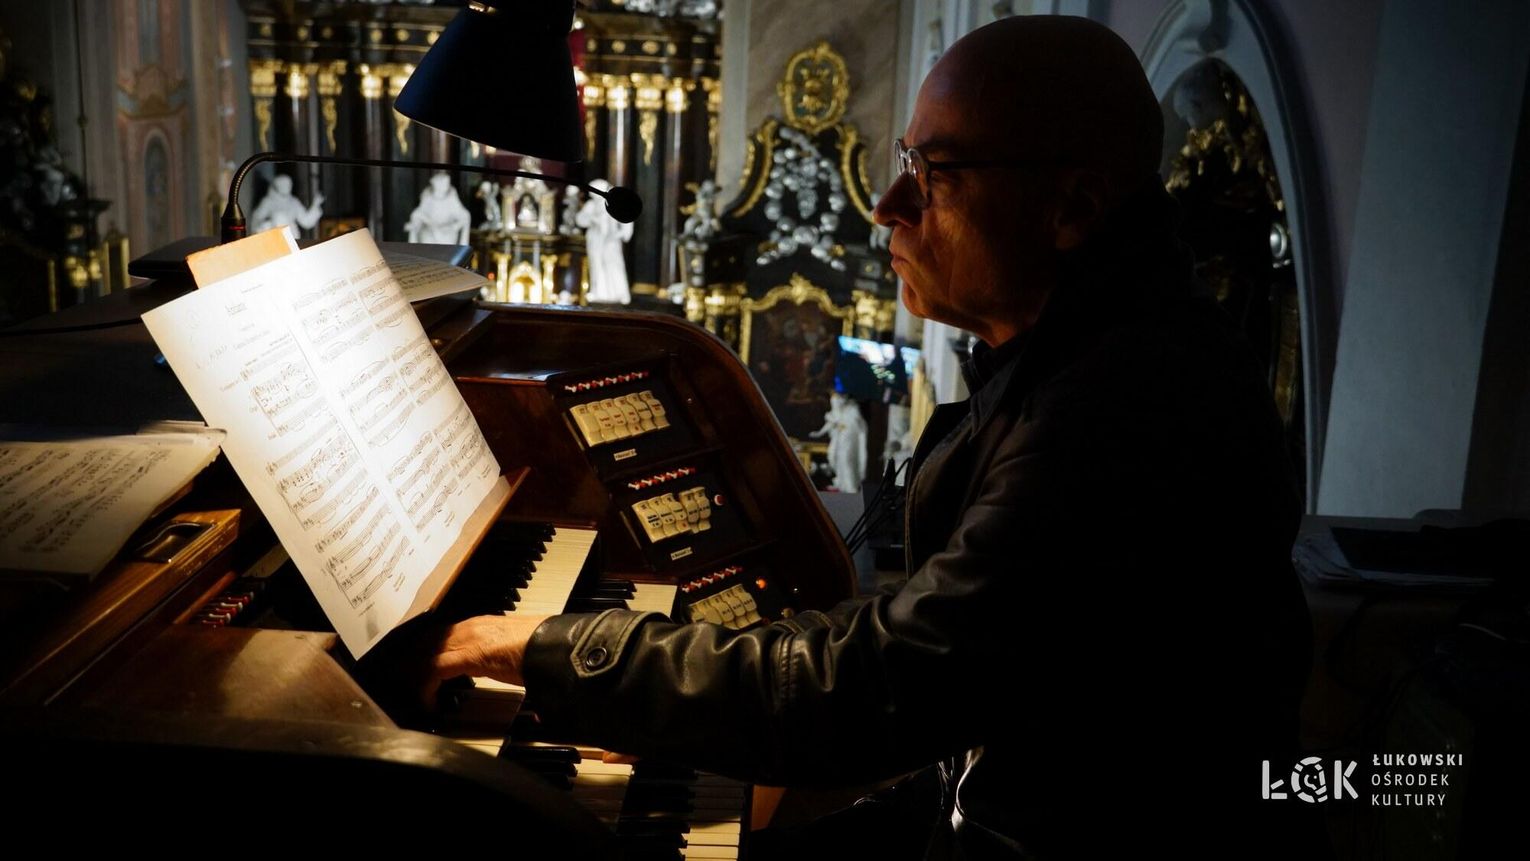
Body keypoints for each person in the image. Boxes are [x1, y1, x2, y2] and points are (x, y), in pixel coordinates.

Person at [429, 15, 1315, 859]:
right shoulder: (1087, 356)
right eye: (904, 161)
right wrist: (667, 708)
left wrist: (549, 649)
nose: (889, 204)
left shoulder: (1121, 414)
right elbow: (962, 707)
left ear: (1072, 207)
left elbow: (884, 687)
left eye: (934, 173)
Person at [577, 178, 634, 304]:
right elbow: (580, 219)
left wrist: (619, 234)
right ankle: (599, 292)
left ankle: (620, 293)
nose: (592, 194)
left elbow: (627, 222)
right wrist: (592, 219)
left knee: (614, 264)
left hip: (610, 241)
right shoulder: (592, 205)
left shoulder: (614, 204)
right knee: (596, 265)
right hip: (595, 240)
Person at [404, 171, 471, 244]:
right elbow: (418, 213)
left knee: (445, 241)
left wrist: (454, 227)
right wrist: (417, 223)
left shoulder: (451, 197)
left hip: (447, 232)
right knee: (426, 238)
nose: (445, 186)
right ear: (435, 184)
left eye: (447, 183)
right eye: (443, 183)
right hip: (429, 231)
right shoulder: (427, 196)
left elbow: (464, 215)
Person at [249, 174, 323, 235]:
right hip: (273, 234)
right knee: (278, 217)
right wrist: (267, 225)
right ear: (278, 186)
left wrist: (315, 205)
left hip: (291, 235)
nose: (288, 187)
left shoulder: (294, 202)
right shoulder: (268, 201)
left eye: (289, 185)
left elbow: (305, 221)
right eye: (285, 185)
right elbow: (257, 219)